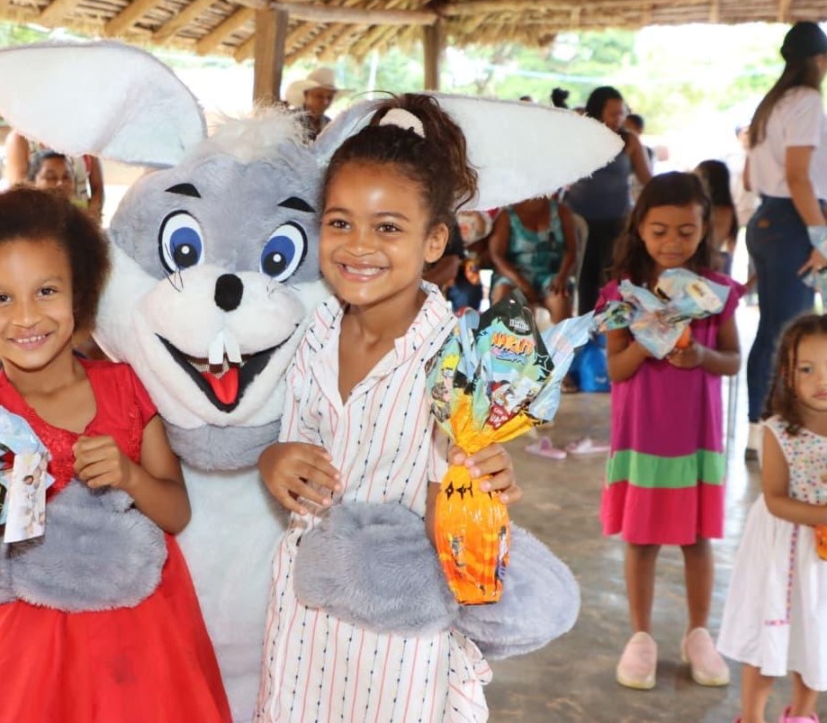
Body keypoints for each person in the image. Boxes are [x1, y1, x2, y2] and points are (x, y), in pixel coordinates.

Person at [0, 188, 230, 721]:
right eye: (1, 298)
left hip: (143, 644)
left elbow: (176, 513)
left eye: (46, 290)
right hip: (24, 664)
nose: (27, 318)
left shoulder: (126, 386)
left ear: (80, 293)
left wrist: (131, 478)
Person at [256, 94, 521, 722]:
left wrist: (483, 479)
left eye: (389, 228)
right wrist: (274, 458)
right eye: (340, 222)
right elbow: (288, 443)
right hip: (302, 615)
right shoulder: (310, 332)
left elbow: (455, 499)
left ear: (434, 241)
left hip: (398, 636)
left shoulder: (459, 360)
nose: (359, 246)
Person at [597, 172, 744, 691]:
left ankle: (698, 633)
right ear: (639, 228)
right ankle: (640, 637)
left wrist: (700, 354)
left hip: (696, 439)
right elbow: (615, 370)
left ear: (705, 229)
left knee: (696, 538)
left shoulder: (716, 294)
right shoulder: (621, 296)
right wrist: (649, 339)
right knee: (640, 540)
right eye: (659, 230)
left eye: (686, 230)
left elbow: (732, 360)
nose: (672, 242)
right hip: (641, 438)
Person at [718, 314, 827, 723]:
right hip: (782, 557)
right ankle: (753, 716)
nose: (821, 380)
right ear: (787, 375)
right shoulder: (779, 432)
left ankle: (801, 714)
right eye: (806, 369)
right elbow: (775, 500)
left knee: (817, 637)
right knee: (769, 639)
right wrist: (825, 513)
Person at [744, 21, 827, 460]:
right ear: (820, 61)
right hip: (791, 220)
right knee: (788, 331)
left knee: (774, 329)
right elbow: (800, 176)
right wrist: (820, 233)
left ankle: (760, 430)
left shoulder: (773, 102)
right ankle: (771, 434)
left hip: (771, 217)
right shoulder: (805, 99)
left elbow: (754, 175)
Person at [566, 86, 653, 313]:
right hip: (580, 220)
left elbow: (648, 180)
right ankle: (585, 333)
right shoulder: (579, 136)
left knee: (613, 277)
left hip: (617, 220)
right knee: (585, 278)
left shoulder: (629, 141)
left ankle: (612, 333)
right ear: (597, 112)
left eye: (622, 113)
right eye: (613, 113)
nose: (619, 118)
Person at [487, 194, 578, 322]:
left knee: (560, 297)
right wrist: (520, 282)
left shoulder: (561, 211)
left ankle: (562, 341)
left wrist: (562, 276)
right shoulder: (507, 215)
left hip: (550, 275)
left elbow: (572, 251)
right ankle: (503, 340)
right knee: (505, 295)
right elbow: (497, 255)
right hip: (514, 275)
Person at [3, 130, 105, 219]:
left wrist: (91, 216)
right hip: (41, 220)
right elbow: (19, 193)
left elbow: (98, 187)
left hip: (81, 217)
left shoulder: (85, 139)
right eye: (50, 177)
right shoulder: (21, 139)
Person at [694, 159, 740, 275]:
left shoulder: (709, 210)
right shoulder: (728, 210)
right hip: (720, 260)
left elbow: (711, 242)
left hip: (708, 262)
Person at [284, 66, 342, 141]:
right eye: (319, 96)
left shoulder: (330, 125)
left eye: (329, 97)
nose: (325, 102)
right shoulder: (289, 119)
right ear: (306, 95)